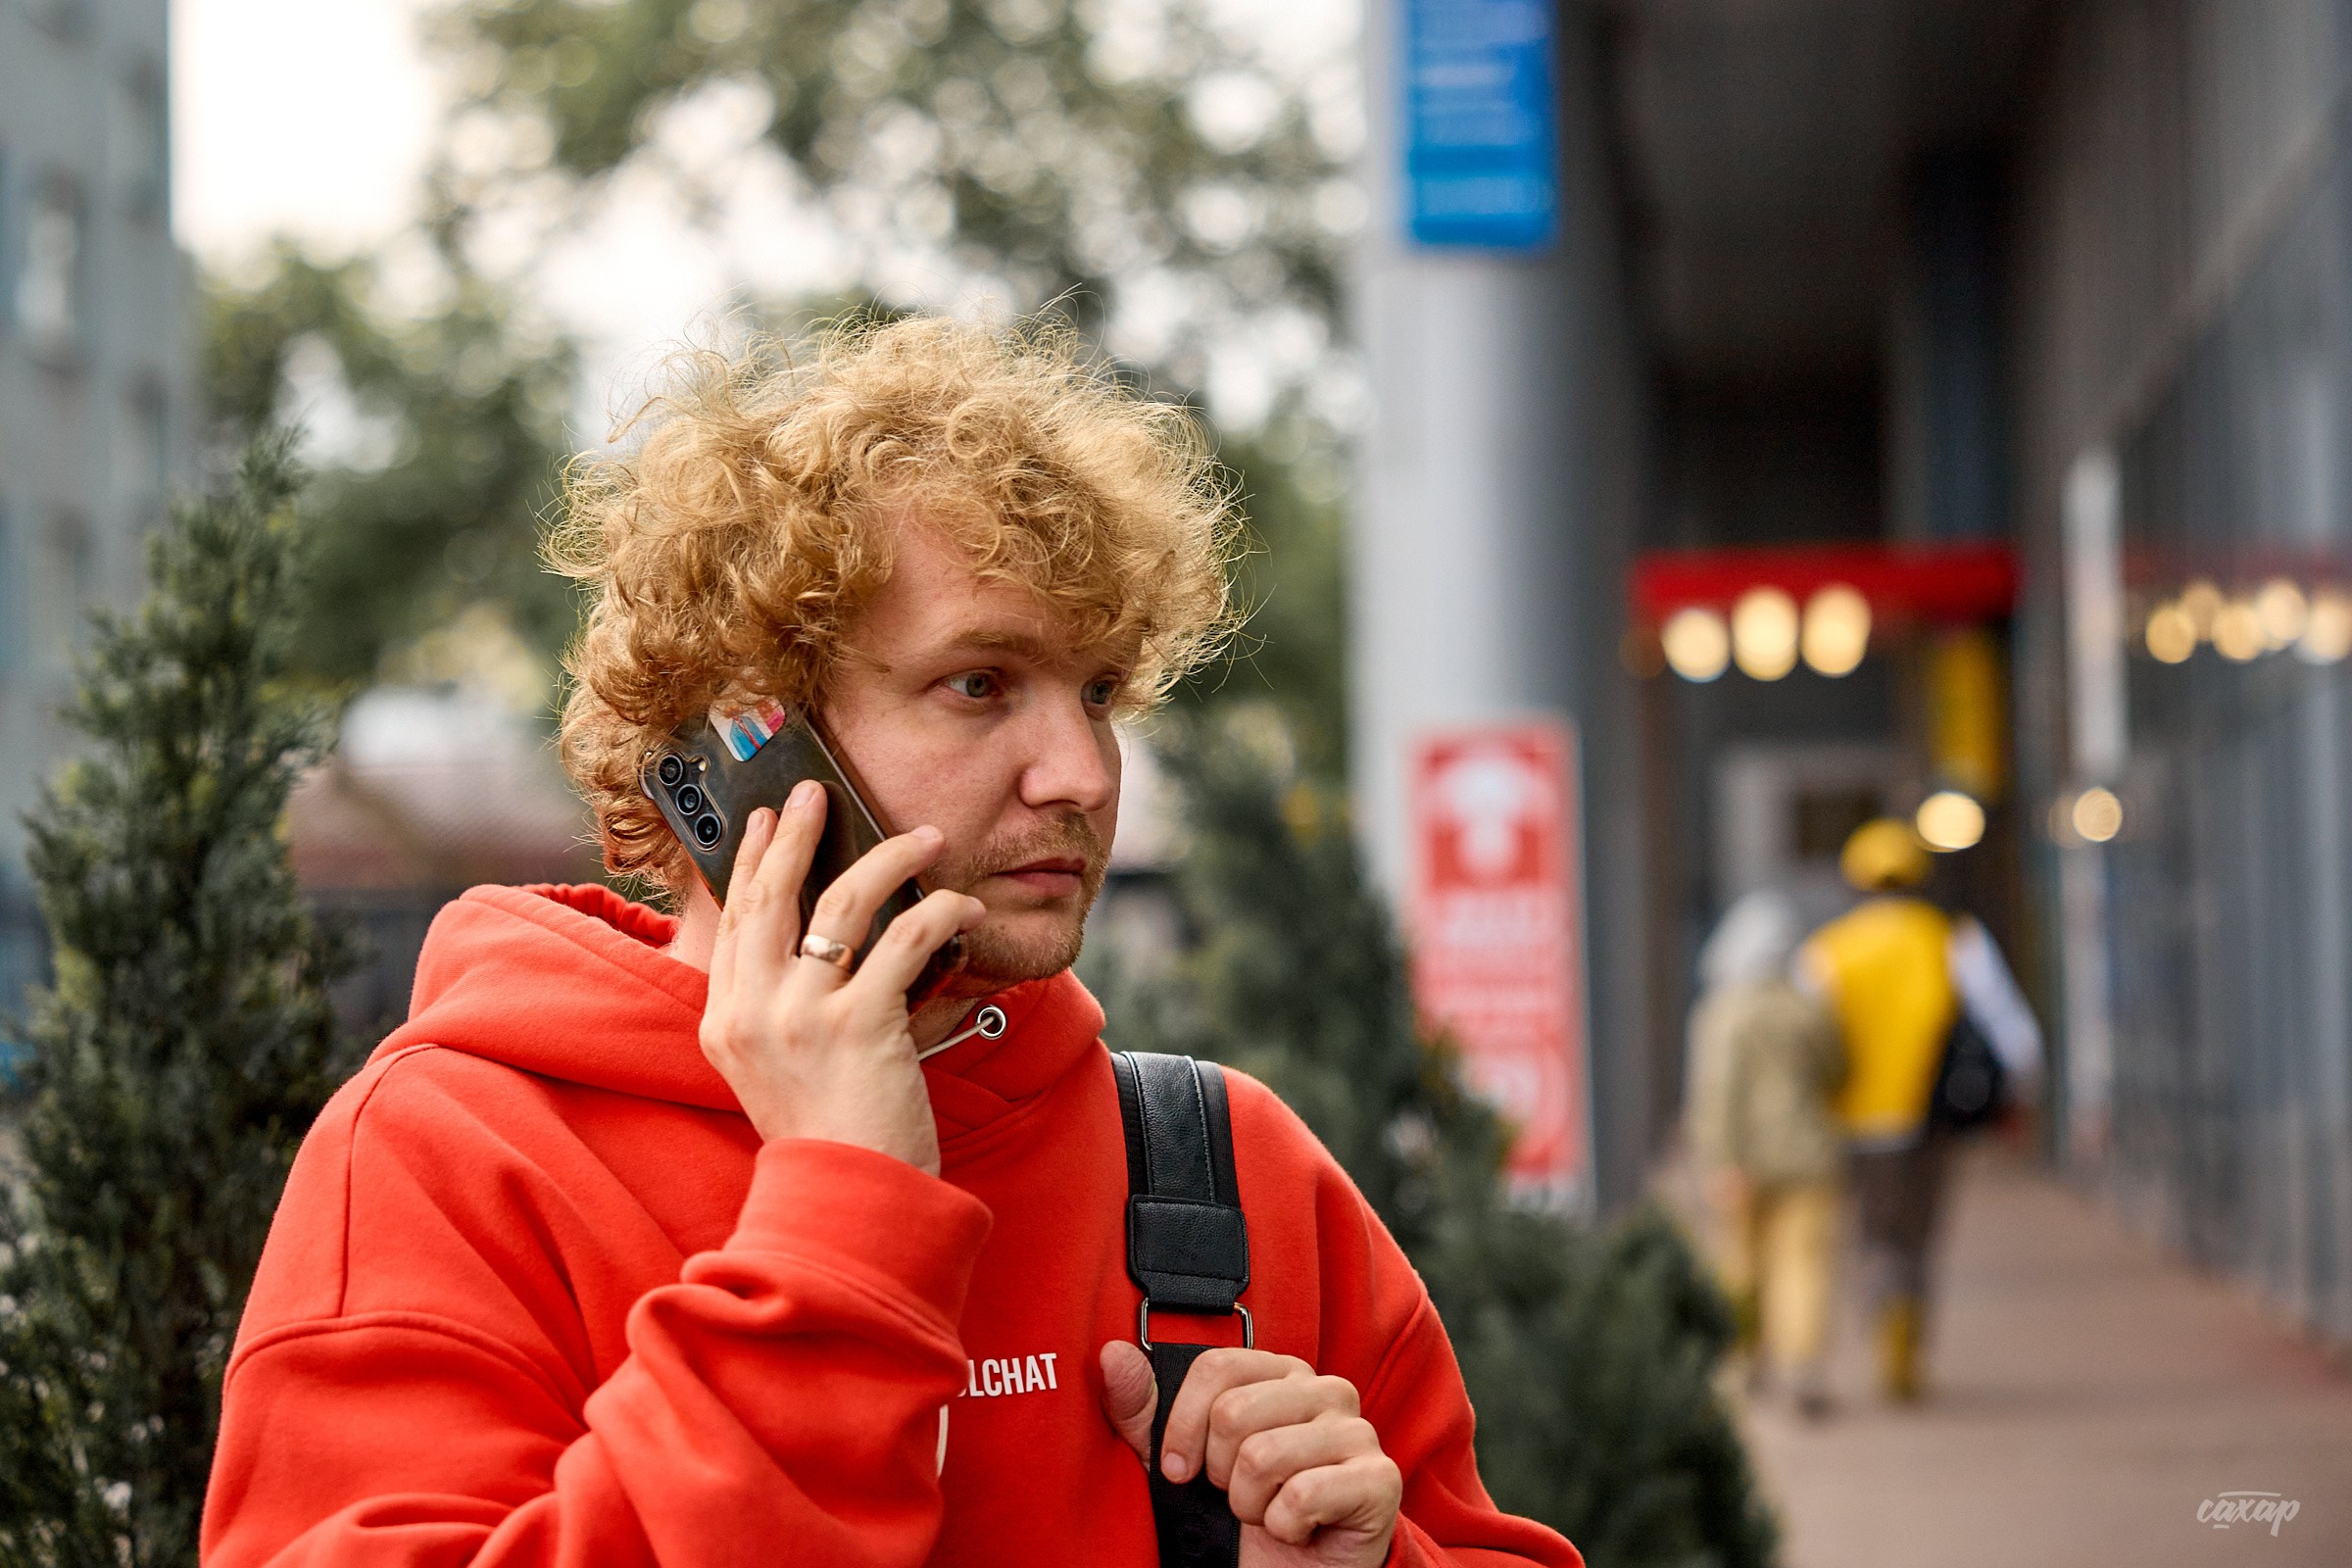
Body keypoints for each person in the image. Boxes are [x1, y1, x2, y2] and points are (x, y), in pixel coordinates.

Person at [200, 317, 1579, 1568]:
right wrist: (840, 1224)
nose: (1083, 775)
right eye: (979, 684)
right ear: (744, 745)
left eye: (1096, 691)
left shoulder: (1225, 1166)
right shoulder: (456, 1156)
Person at [1798, 817, 2042, 1403]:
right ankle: (1907, 1335)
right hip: (1930, 1119)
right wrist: (2020, 1096)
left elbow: (1806, 1036)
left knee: (1872, 1230)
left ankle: (1885, 1321)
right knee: (1919, 1231)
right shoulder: (1952, 939)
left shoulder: (1828, 950)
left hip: (1853, 1119)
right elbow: (2011, 1029)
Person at [1685, 890, 1846, 1419]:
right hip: (1807, 1155)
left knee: (1739, 1266)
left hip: (1742, 1160)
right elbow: (1838, 1070)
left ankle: (1744, 1364)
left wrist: (1719, 1158)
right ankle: (1802, 1365)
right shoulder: (1806, 1008)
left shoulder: (1722, 1012)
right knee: (1803, 1264)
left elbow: (1715, 1090)